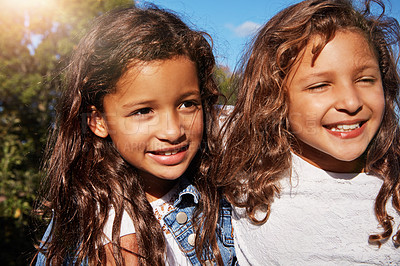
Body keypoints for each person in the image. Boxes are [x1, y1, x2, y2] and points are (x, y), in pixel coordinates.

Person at [34, 5, 236, 265]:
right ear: (99, 121)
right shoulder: (79, 226)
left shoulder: (224, 184)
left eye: (187, 104)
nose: (172, 131)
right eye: (143, 111)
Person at [214, 0, 400, 264]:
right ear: (275, 97)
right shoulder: (241, 150)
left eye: (365, 80)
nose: (351, 102)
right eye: (320, 85)